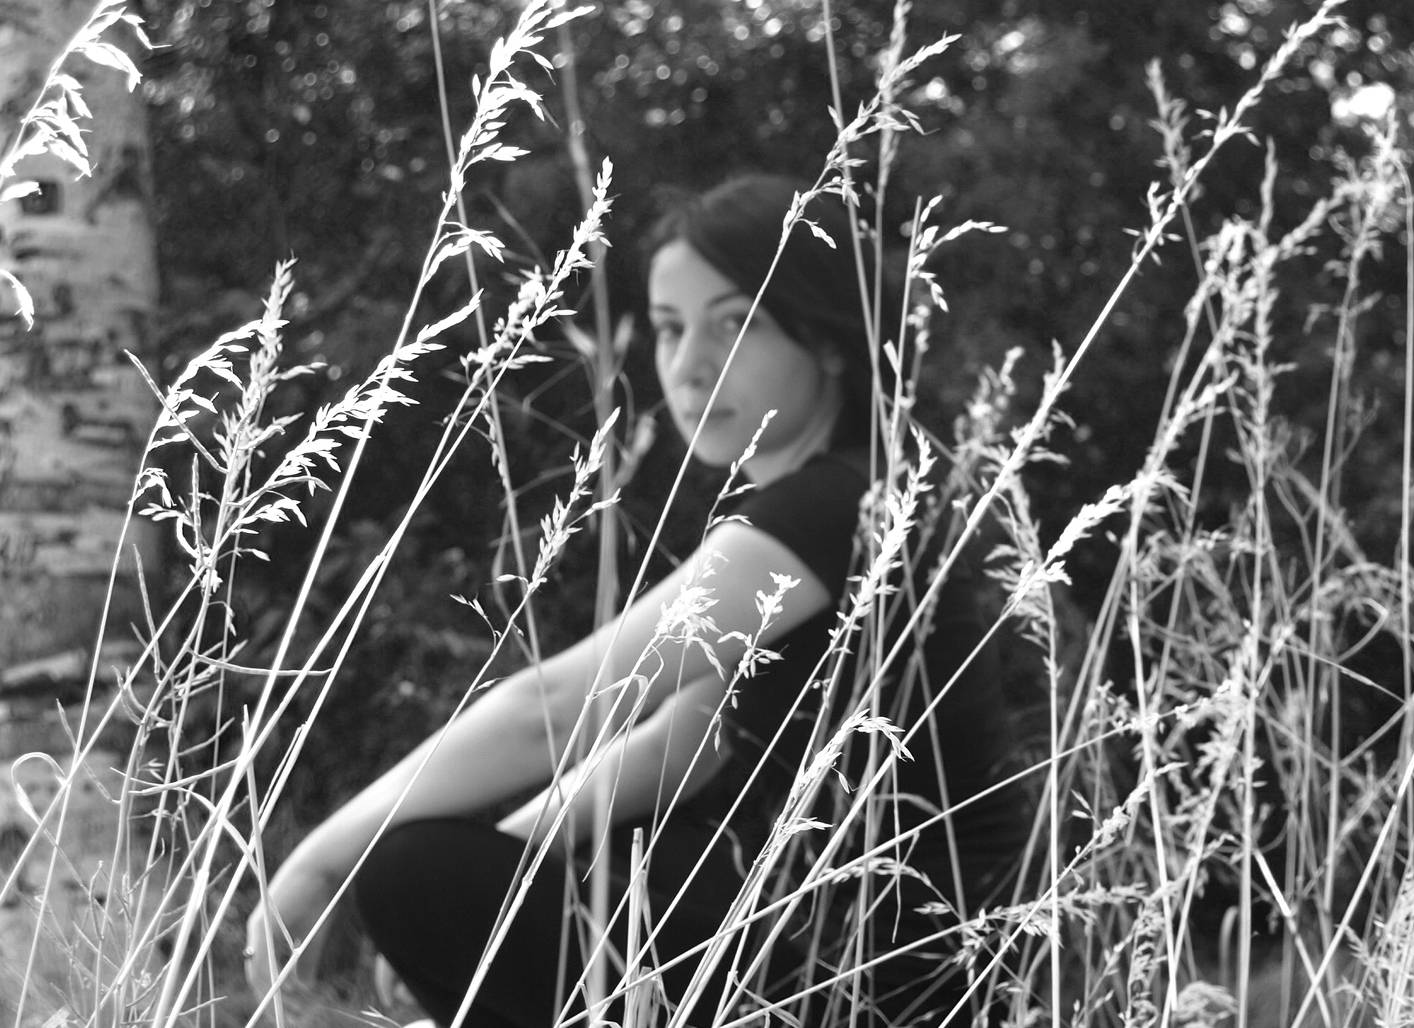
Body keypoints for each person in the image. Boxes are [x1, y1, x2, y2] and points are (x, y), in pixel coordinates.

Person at [245, 174, 1031, 1027]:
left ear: (828, 339)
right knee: (470, 876)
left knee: (412, 870)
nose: (690, 366)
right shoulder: (843, 492)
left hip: (886, 968)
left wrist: (319, 867)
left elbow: (556, 706)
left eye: (736, 323)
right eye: (669, 328)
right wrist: (502, 872)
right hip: (853, 942)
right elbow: (682, 740)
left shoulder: (837, 505)